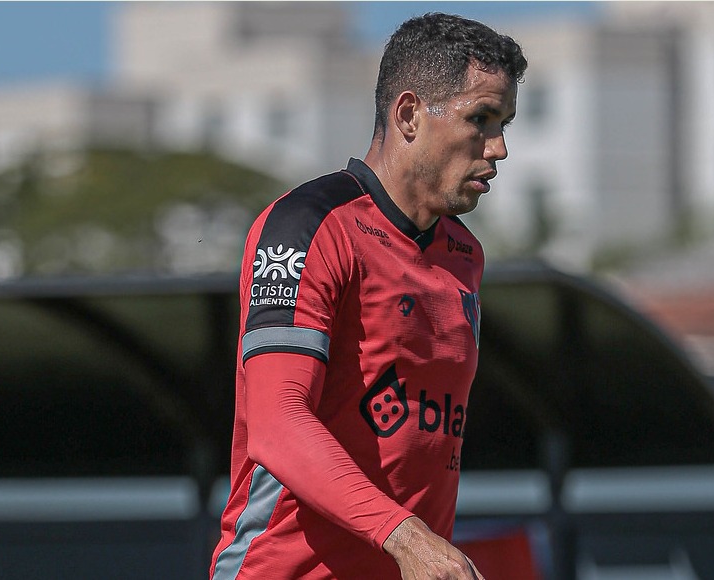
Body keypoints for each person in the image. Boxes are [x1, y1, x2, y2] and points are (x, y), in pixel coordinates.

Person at [209, 12, 526, 580]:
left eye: (504, 124)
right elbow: (277, 423)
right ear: (408, 115)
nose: (499, 148)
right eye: (480, 119)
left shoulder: (465, 256)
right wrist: (406, 537)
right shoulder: (307, 226)